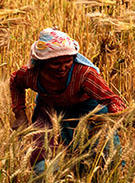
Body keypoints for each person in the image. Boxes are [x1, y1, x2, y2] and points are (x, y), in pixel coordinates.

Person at [10, 28, 125, 176]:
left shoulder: (84, 74)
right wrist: (20, 115)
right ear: (42, 62)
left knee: (107, 153)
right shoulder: (31, 75)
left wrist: (114, 117)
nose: (63, 67)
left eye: (68, 61)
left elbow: (112, 99)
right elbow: (15, 81)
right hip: (49, 112)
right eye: (56, 63)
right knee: (42, 159)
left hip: (89, 111)